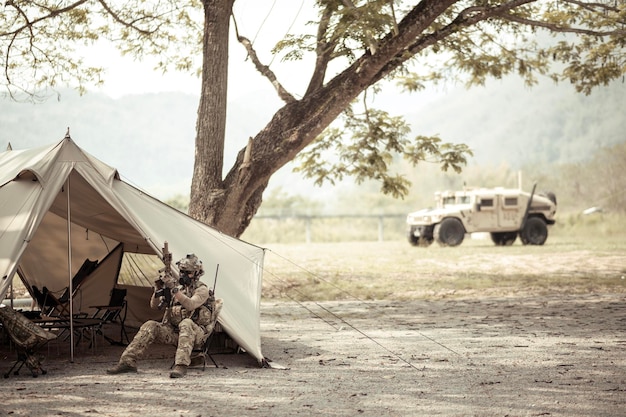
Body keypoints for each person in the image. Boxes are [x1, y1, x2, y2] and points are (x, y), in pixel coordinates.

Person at [106, 253, 221, 378]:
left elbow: (191, 305)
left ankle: (181, 365)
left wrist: (174, 290)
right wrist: (158, 289)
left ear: (196, 274)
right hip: (175, 332)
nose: (183, 275)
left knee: (186, 323)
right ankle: (127, 362)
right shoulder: (179, 288)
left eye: (188, 273)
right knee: (150, 325)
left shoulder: (202, 290)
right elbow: (154, 307)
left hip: (196, 335)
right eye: (182, 272)